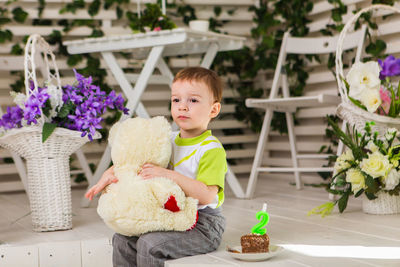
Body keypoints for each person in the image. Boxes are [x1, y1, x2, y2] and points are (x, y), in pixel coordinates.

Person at [85, 67, 227, 267]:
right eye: (176, 100)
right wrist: (109, 175)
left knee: (150, 245)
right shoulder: (166, 140)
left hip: (203, 225)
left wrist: (166, 175)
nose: (182, 107)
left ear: (213, 109)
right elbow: (132, 162)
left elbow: (207, 195)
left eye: (193, 100)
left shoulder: (211, 149)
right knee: (122, 240)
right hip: (170, 216)